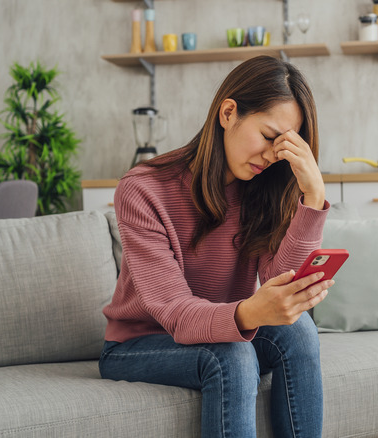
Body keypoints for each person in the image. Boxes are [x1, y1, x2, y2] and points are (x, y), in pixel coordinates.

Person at [99, 55, 332, 438]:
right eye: (270, 137)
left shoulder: (263, 188)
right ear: (228, 112)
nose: (273, 155)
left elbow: (278, 278)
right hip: (140, 343)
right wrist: (249, 312)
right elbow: (174, 312)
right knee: (233, 354)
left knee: (300, 329)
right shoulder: (142, 189)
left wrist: (312, 195)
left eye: (286, 146)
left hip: (219, 326)